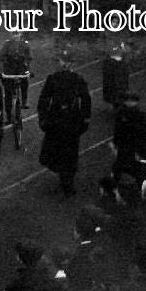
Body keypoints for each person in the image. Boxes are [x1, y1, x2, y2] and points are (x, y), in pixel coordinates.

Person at [37, 51, 91, 196]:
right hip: (70, 122)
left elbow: (43, 100)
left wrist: (43, 119)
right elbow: (86, 100)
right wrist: (85, 120)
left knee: (60, 152)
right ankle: (67, 181)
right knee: (69, 153)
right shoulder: (77, 79)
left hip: (58, 121)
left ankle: (65, 181)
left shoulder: (54, 79)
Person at [110, 92, 146, 182]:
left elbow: (144, 131)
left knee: (130, 162)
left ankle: (120, 178)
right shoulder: (123, 112)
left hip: (132, 143)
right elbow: (117, 129)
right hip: (126, 142)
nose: (130, 103)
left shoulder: (138, 114)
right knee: (124, 162)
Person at [0, 31, 31, 113]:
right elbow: (1, 58)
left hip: (20, 70)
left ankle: (24, 101)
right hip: (9, 70)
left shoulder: (25, 44)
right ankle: (8, 108)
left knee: (25, 82)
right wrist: (0, 71)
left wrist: (28, 70)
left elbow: (28, 58)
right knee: (8, 90)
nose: (15, 36)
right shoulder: (7, 44)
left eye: (17, 34)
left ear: (21, 34)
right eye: (14, 34)